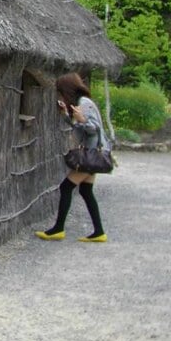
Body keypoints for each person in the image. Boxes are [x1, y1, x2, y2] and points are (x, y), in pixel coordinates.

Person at [35, 73, 108, 243]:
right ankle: (99, 232)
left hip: (91, 154)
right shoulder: (82, 103)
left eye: (61, 91)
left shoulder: (84, 103)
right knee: (85, 190)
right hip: (92, 154)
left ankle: (58, 229)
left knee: (66, 187)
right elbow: (80, 126)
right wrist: (66, 116)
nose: (60, 94)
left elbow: (92, 129)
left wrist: (80, 119)